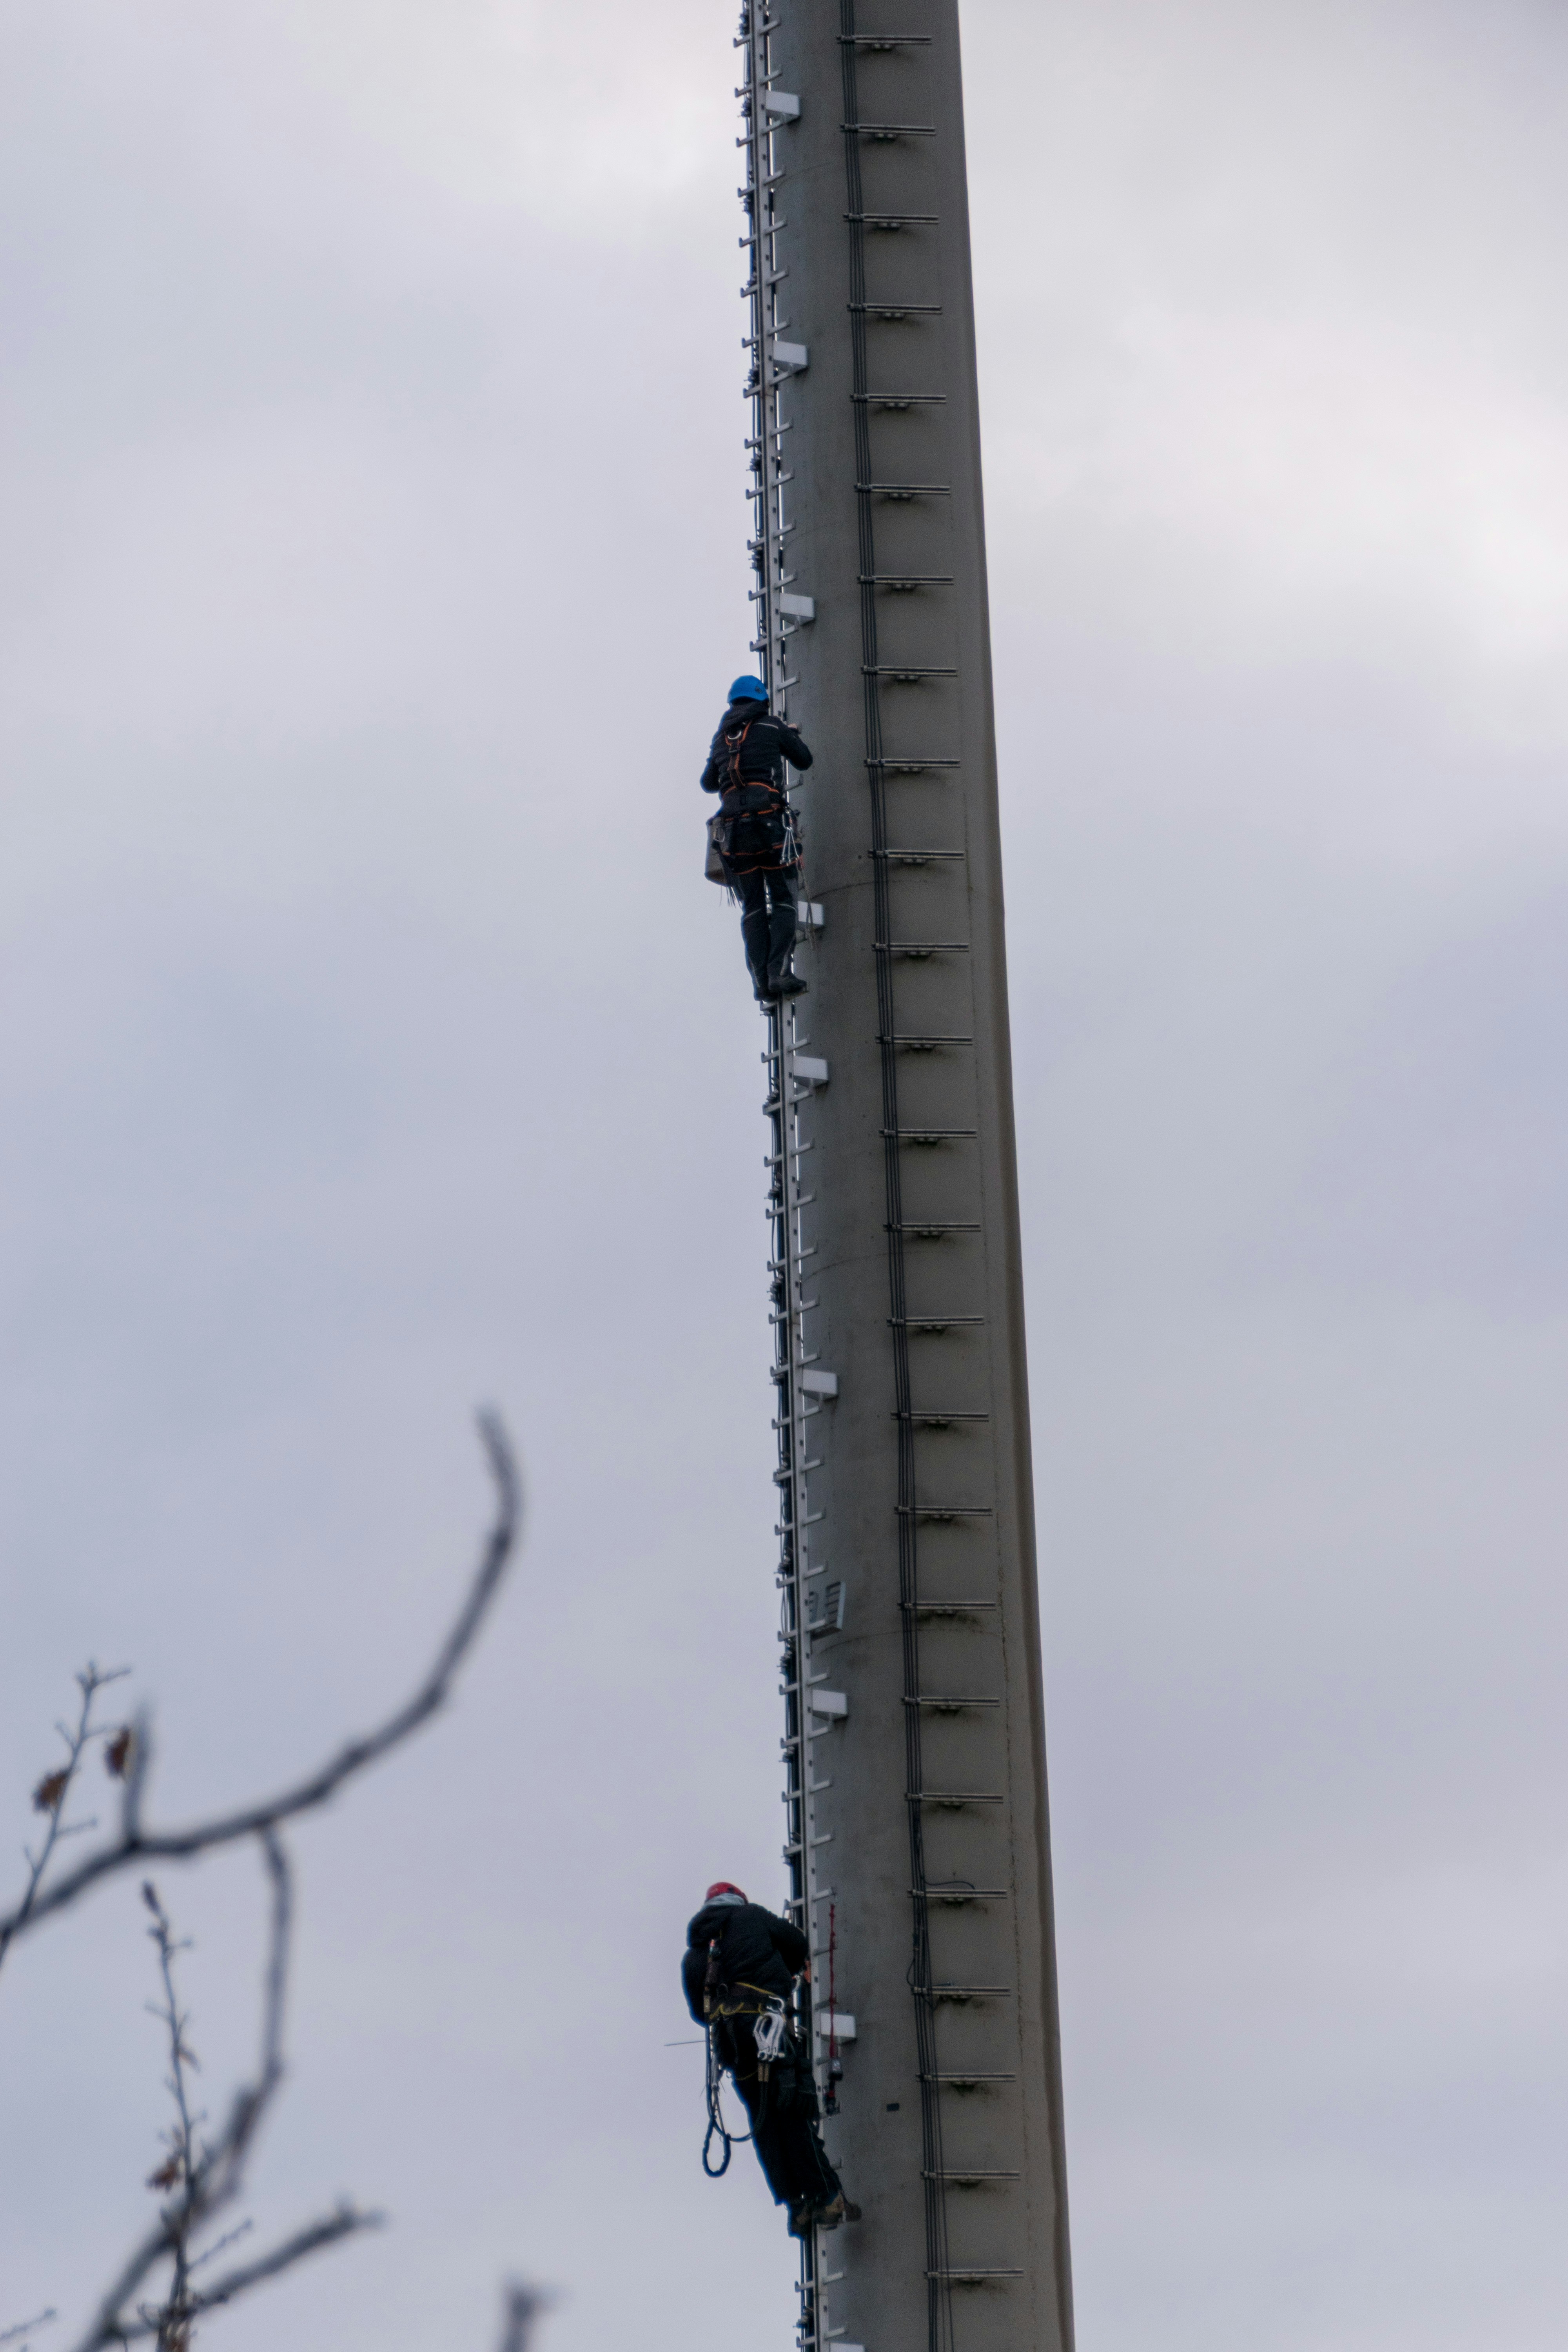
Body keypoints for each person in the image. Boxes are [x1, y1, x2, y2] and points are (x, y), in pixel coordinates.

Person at [682, 1880, 858, 2237]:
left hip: (733, 2048)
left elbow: (700, 2014)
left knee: (766, 2124)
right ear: (738, 1900)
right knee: (792, 2110)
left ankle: (797, 2207)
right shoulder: (752, 1916)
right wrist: (785, 1973)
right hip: (767, 2030)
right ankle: (827, 2197)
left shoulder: (695, 1953)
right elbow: (797, 1944)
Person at [701, 675, 814, 1003]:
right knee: (782, 899)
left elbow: (708, 783)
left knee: (752, 907)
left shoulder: (722, 737)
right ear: (761, 700)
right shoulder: (771, 726)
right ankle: (780, 973)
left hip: (734, 836)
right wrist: (789, 735)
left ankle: (761, 983)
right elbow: (804, 760)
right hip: (770, 829)